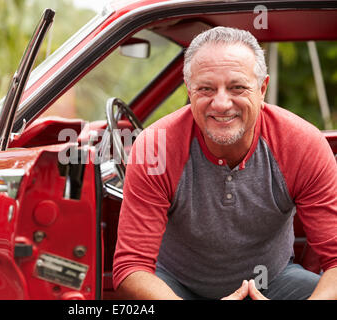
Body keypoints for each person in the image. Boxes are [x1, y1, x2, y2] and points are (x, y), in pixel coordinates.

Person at [112, 26, 337, 300]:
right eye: (206, 88)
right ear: (189, 91)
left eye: (237, 87)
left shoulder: (302, 145)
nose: (221, 103)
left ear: (262, 88)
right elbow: (131, 267)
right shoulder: (154, 146)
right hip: (175, 288)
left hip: (275, 281)